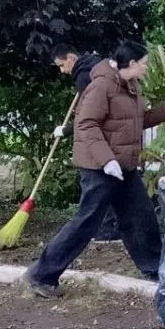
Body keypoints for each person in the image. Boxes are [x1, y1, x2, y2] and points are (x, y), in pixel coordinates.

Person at [24, 41, 165, 298]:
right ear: (130, 64)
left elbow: (139, 121)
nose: (146, 67)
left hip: (124, 166)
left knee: (140, 218)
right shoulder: (101, 86)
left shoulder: (130, 86)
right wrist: (107, 161)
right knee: (86, 222)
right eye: (143, 63)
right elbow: (86, 125)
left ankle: (156, 269)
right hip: (99, 167)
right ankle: (41, 274)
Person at [51, 44, 119, 243]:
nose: (62, 71)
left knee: (95, 186)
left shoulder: (84, 76)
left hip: (97, 140)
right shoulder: (98, 67)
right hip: (111, 137)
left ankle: (104, 230)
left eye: (62, 65)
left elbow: (89, 116)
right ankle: (111, 229)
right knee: (111, 184)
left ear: (72, 57)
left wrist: (65, 130)